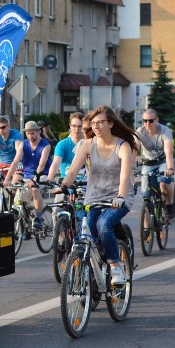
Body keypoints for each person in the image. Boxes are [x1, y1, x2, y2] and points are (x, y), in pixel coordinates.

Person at [61, 106, 138, 286]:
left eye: (100, 122)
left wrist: (120, 196)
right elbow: (73, 169)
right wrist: (65, 185)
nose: (96, 126)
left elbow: (125, 175)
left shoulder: (122, 145)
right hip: (94, 196)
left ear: (110, 123)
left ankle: (116, 266)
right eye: (93, 123)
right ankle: (95, 275)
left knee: (103, 224)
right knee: (90, 236)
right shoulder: (88, 144)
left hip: (119, 195)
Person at [4, 120, 52, 228]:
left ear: (38, 131)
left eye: (32, 133)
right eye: (27, 133)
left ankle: (39, 217)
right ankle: (24, 225)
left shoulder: (45, 145)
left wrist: (34, 180)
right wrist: (7, 179)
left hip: (42, 174)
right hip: (27, 175)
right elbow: (16, 161)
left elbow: (41, 165)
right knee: (17, 200)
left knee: (35, 189)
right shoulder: (23, 144)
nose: (30, 135)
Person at [135, 108, 175, 219]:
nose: (147, 123)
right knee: (146, 196)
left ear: (157, 120)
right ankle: (145, 231)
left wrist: (170, 168)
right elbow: (134, 149)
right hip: (148, 163)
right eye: (145, 120)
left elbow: (168, 153)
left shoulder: (165, 131)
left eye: (150, 121)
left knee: (163, 183)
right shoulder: (140, 132)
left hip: (162, 161)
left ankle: (169, 204)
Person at [46, 112, 86, 182]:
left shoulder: (90, 143)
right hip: (66, 181)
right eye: (74, 126)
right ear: (70, 126)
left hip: (86, 182)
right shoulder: (62, 144)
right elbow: (56, 162)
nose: (77, 129)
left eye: (80, 126)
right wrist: (50, 176)